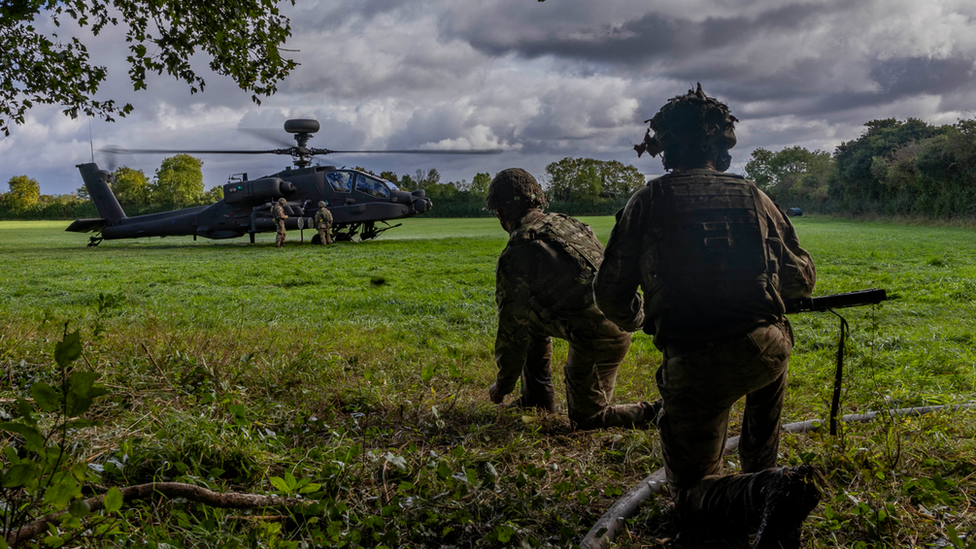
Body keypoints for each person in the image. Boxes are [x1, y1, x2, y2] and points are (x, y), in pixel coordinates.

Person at [593, 85, 821, 548]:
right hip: (766, 346)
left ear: (664, 148)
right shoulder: (754, 197)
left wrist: (638, 318)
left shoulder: (647, 201)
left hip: (695, 361)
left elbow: (610, 292)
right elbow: (801, 279)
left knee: (690, 493)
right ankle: (763, 480)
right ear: (722, 146)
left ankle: (769, 490)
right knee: (769, 364)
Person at [486, 168, 659, 430]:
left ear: (500, 212)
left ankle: (665, 411)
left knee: (588, 418)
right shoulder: (566, 222)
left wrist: (502, 385)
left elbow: (512, 329)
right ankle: (537, 399)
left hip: (601, 335)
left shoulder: (518, 250)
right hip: (612, 318)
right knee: (530, 319)